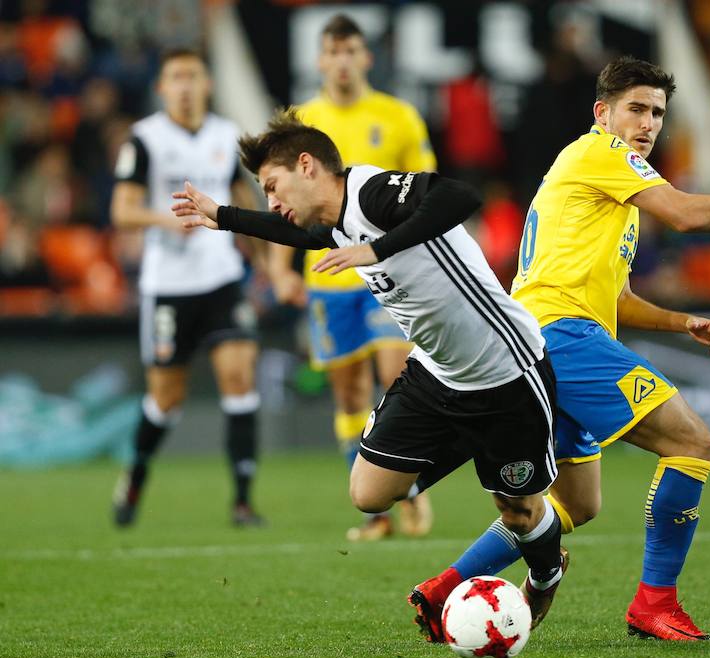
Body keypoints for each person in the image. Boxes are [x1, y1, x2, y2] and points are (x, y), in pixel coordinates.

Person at [409, 55, 710, 642]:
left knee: (576, 502)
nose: (648, 124)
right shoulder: (602, 153)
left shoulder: (612, 190)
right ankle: (654, 604)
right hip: (562, 335)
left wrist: (679, 320)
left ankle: (442, 588)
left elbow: (614, 297)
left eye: (658, 113)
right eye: (637, 110)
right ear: (604, 113)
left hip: (543, 336)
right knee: (692, 441)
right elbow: (685, 213)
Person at [171, 112, 568, 628]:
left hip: (507, 371)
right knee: (368, 495)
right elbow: (301, 237)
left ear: (307, 166)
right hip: (437, 374)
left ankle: (545, 576)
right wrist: (223, 216)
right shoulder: (333, 222)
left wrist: (376, 247)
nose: (271, 202)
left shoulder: (372, 192)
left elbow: (461, 197)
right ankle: (476, 441)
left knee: (519, 512)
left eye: (272, 186)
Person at [270, 14, 437, 542]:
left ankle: (409, 487)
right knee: (347, 394)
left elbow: (427, 192)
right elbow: (281, 201)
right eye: (333, 52)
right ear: (319, 60)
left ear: (366, 57)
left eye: (351, 51)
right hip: (326, 277)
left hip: (388, 273)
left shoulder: (399, 117)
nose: (342, 61)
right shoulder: (300, 121)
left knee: (395, 375)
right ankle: (377, 514)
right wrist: (278, 268)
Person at [110, 48, 264, 527]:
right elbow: (121, 210)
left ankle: (242, 501)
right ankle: (135, 473)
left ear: (207, 84)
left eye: (192, 76)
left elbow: (241, 200)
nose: (184, 85)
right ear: (161, 87)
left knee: (240, 379)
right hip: (168, 286)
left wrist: (263, 263)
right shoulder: (145, 139)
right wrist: (166, 219)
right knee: (166, 399)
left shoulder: (225, 135)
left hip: (221, 279)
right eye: (175, 77)